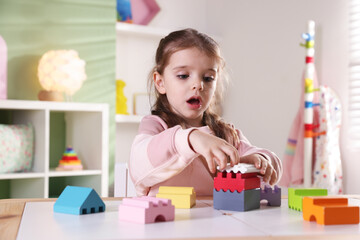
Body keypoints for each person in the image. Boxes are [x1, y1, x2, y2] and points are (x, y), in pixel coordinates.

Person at [129, 28, 282, 196]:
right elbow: (137, 166)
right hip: (168, 219)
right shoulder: (156, 125)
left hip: (215, 220)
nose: (198, 85)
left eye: (208, 78)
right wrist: (190, 139)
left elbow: (268, 162)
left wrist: (260, 161)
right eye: (183, 75)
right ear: (160, 82)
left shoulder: (225, 133)